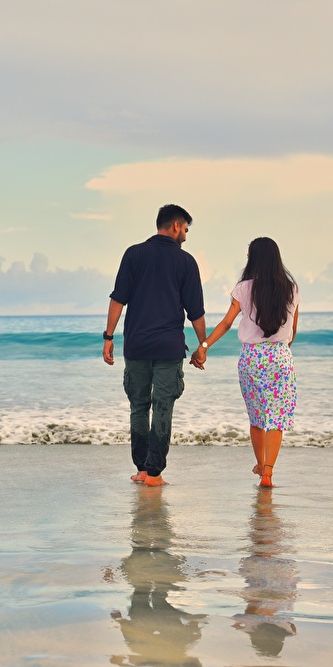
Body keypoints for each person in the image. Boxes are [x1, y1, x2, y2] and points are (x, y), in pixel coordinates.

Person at [103, 204, 207, 486]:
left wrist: (109, 337)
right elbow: (195, 311)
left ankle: (141, 469)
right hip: (168, 348)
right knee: (163, 407)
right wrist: (203, 345)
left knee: (138, 406)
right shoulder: (185, 262)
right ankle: (154, 474)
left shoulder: (133, 254)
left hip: (136, 346)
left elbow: (118, 299)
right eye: (185, 228)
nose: (185, 234)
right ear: (175, 226)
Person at [190, 237, 299, 487]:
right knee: (276, 417)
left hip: (251, 358)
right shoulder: (292, 289)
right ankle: (268, 473)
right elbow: (293, 330)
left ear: (253, 259)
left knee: (257, 417)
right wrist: (281, 350)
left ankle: (260, 465)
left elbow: (227, 323)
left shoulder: (244, 288)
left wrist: (204, 346)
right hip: (280, 357)